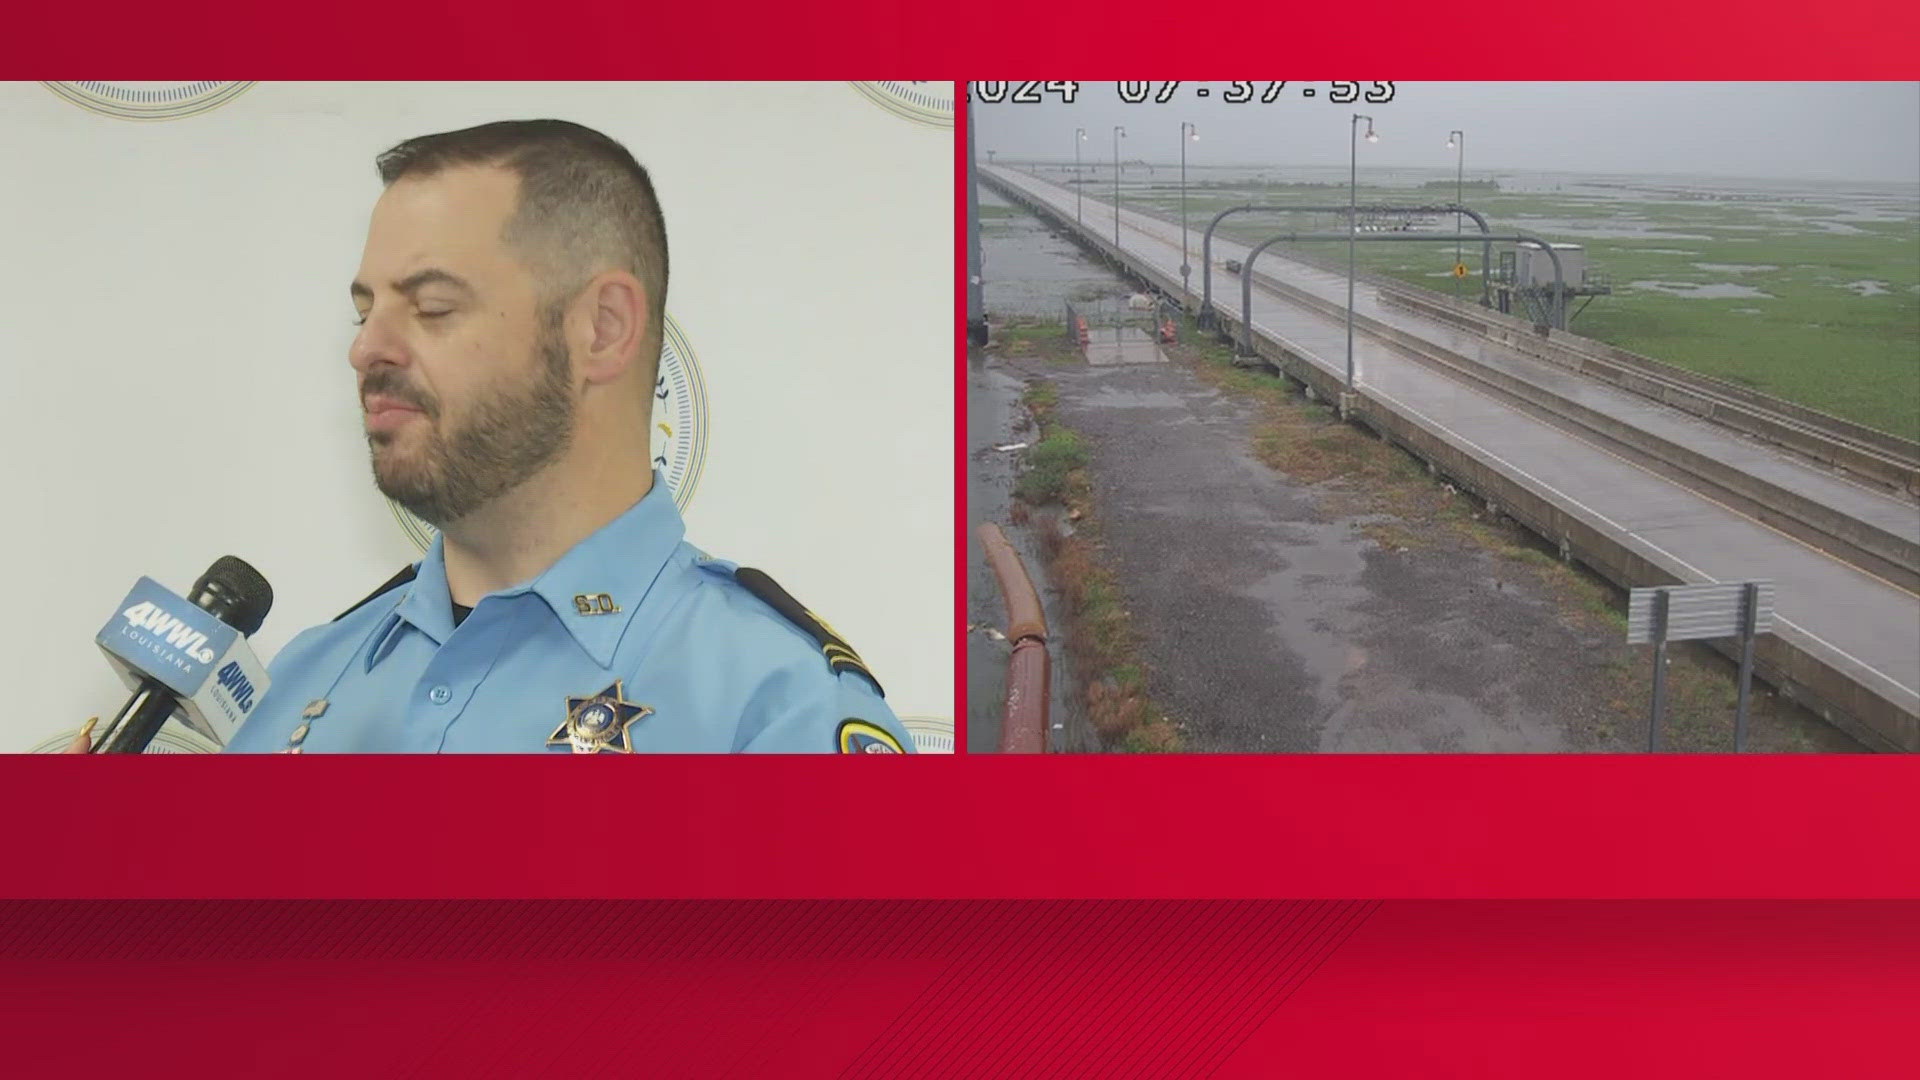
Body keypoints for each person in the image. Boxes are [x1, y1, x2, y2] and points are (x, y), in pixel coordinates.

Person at [77, 120, 910, 754]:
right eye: (365, 311)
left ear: (602, 329)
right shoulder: (301, 683)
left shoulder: (774, 709)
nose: (366, 348)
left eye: (432, 306)